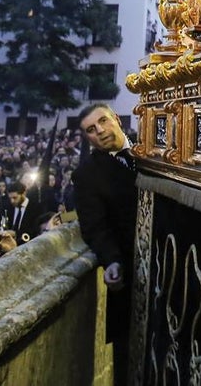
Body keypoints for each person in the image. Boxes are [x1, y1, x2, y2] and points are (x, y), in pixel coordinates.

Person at [73, 103, 140, 385]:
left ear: (116, 118)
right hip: (131, 273)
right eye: (91, 129)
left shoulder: (154, 145)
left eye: (102, 121)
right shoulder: (87, 175)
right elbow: (95, 227)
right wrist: (111, 260)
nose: (100, 131)